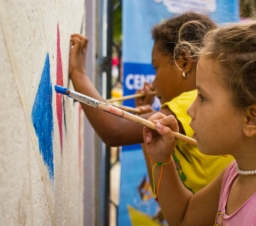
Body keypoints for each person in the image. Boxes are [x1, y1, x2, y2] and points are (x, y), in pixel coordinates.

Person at [143, 15, 256, 225]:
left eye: (202, 97)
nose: (190, 110)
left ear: (252, 119)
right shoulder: (235, 173)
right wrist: (162, 159)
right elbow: (184, 218)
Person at [69, 12, 233, 195]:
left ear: (184, 62)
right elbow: (164, 195)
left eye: (156, 68)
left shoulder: (194, 101)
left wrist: (78, 74)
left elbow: (115, 131)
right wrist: (145, 129)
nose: (153, 83)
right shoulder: (201, 104)